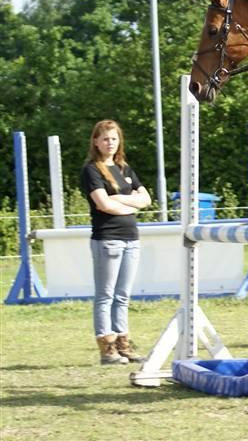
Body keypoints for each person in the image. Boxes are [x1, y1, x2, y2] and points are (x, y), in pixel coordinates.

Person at [80, 120, 151, 365]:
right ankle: (107, 347)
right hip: (107, 239)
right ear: (96, 142)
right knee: (105, 295)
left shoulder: (124, 168)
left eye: (114, 138)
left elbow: (145, 199)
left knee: (122, 295)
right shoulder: (92, 170)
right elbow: (103, 204)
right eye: (105, 139)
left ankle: (123, 343)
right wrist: (128, 203)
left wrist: (119, 199)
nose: (110, 143)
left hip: (131, 238)